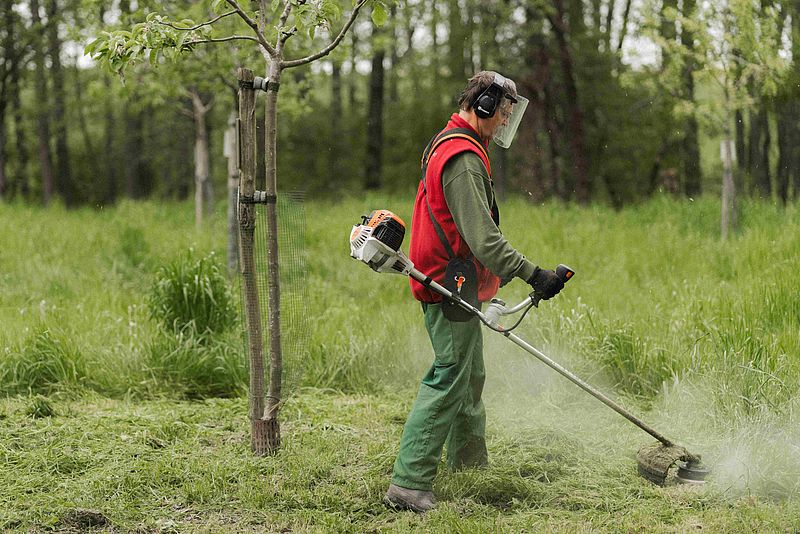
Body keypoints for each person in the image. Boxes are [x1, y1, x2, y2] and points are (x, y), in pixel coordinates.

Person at [384, 71, 565, 513]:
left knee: (469, 375)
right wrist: (532, 273)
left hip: (457, 280)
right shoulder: (462, 157)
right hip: (449, 283)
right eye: (503, 113)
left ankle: (467, 466)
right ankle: (408, 483)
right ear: (483, 105)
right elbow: (483, 238)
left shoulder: (456, 143)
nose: (505, 123)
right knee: (450, 376)